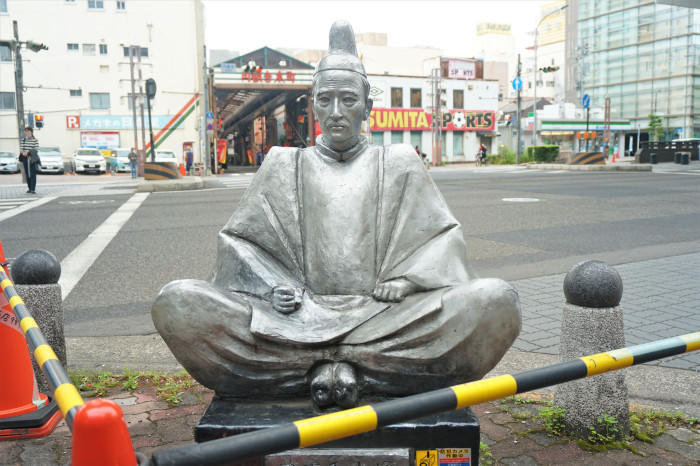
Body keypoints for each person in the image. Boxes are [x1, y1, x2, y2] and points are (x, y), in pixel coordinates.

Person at [152, 20, 520, 409]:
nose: (336, 112)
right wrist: (272, 286)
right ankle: (369, 371)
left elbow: (443, 240)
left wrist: (409, 281)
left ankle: (315, 369)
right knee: (176, 302)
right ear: (312, 105)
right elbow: (240, 246)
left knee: (496, 301)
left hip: (387, 319)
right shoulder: (283, 164)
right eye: (325, 100)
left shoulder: (398, 163)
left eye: (348, 100)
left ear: (368, 106)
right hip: (295, 321)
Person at [18, 127, 39, 194]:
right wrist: (25, 154)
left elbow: (36, 149)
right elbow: (21, 149)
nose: (27, 133)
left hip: (32, 159)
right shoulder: (23, 140)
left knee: (33, 174)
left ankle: (33, 189)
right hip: (25, 158)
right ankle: (29, 188)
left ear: (31, 132)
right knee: (27, 174)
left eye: (28, 131)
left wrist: (29, 154)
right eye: (26, 131)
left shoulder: (35, 140)